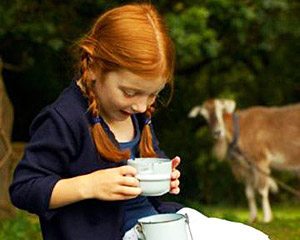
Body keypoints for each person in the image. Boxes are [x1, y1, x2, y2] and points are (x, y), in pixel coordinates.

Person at [9, 3, 270, 240]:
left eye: (153, 94)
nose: (142, 106)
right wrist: (89, 185)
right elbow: (24, 188)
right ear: (94, 67)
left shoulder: (136, 112)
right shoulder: (64, 119)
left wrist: (166, 175)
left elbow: (149, 158)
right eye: (130, 92)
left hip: (157, 223)